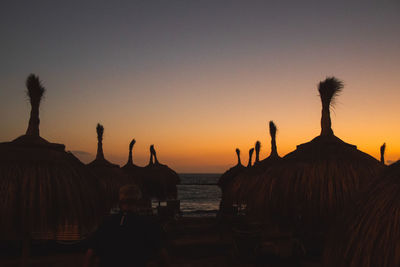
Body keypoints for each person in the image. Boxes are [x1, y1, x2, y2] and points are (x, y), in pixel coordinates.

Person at [83, 184, 169, 267]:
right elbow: (161, 255)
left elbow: (90, 254)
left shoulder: (106, 222)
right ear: (139, 201)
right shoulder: (148, 224)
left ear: (119, 202)